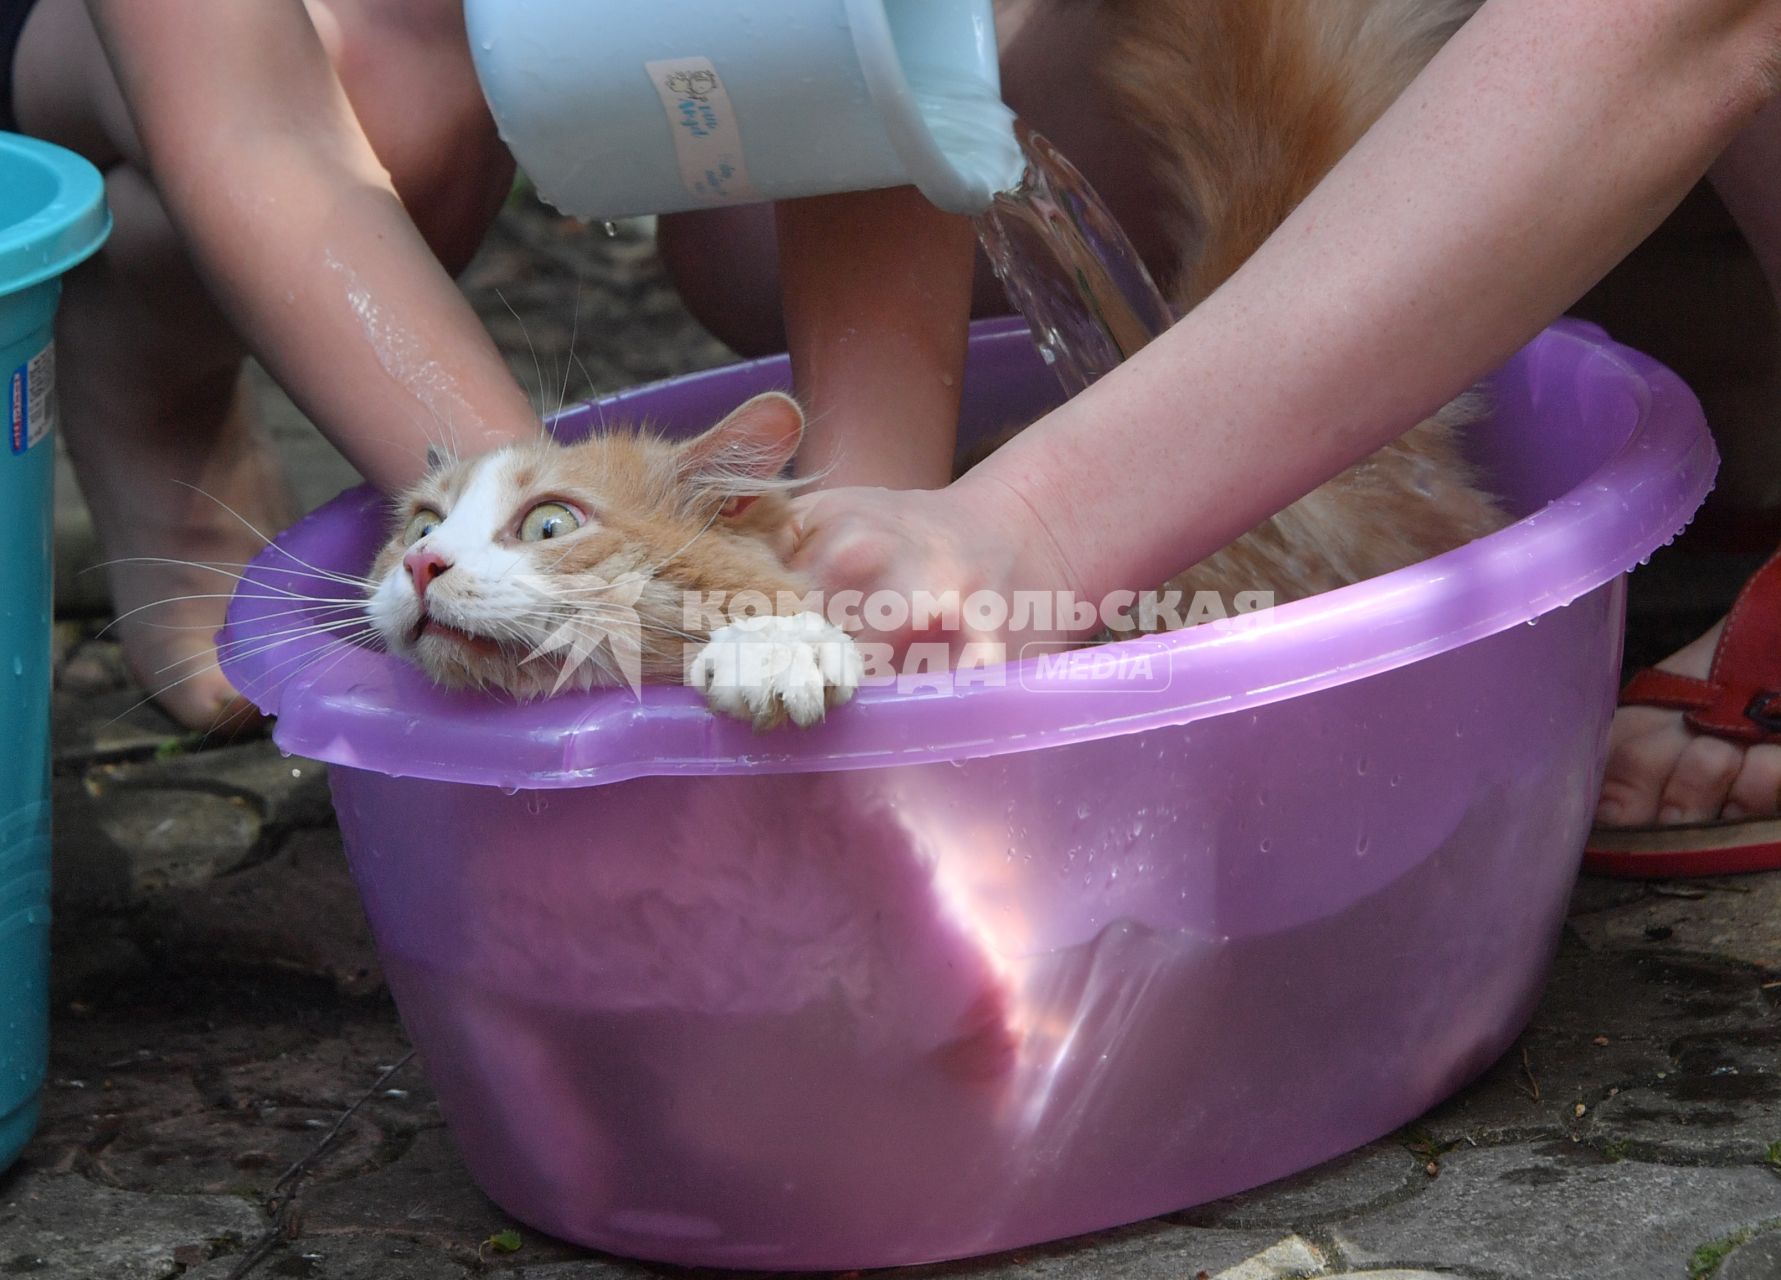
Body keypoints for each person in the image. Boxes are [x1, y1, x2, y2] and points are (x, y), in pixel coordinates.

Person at [11, 0, 1781, 869]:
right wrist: (599, 572)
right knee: (411, 99)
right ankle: (150, 382)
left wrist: (953, 515)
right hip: (193, 84)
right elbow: (262, 134)